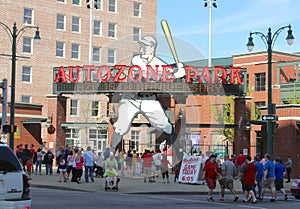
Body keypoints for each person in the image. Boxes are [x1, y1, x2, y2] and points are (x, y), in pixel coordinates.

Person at [109, 35, 185, 152]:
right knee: (120, 127)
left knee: (166, 126)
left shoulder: (159, 63)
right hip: (131, 98)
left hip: (149, 99)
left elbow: (166, 73)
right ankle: (111, 153)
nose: (142, 48)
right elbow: (148, 75)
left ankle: (179, 152)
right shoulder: (136, 60)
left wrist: (179, 72)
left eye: (146, 46)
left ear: (152, 48)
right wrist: (174, 74)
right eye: (142, 45)